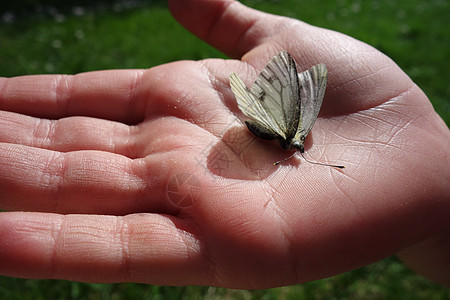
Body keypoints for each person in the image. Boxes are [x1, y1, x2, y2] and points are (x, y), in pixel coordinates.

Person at [0, 0, 448, 288]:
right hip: (265, 119)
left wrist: (431, 187)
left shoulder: (297, 135)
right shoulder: (293, 134)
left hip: (264, 119)